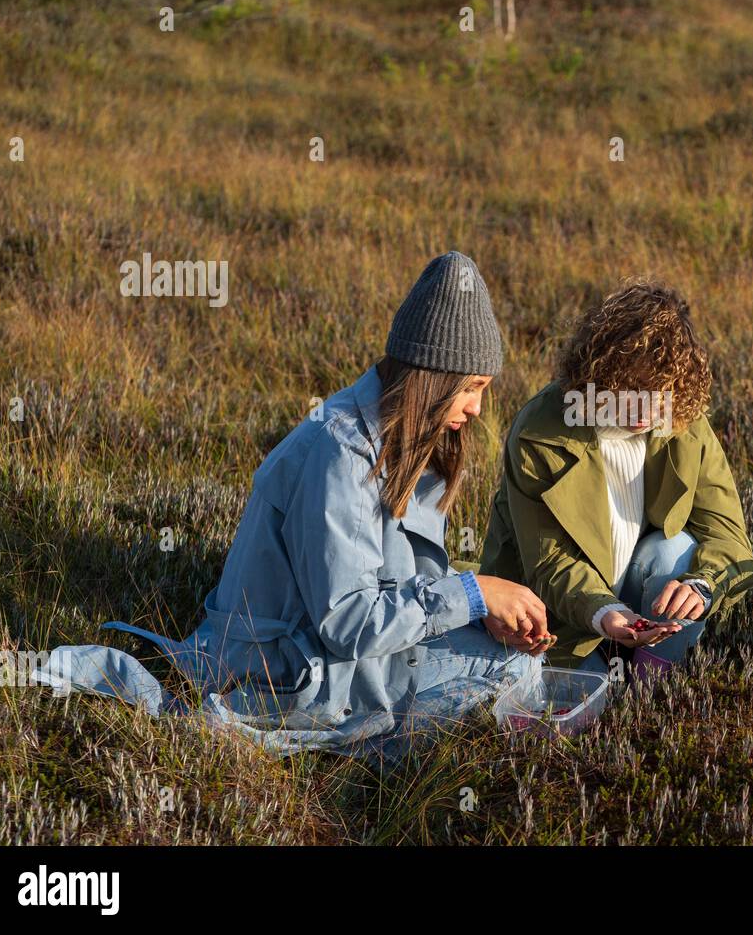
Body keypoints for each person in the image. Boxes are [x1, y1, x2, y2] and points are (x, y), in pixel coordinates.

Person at [37, 251, 549, 759]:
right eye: (472, 388)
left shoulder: (406, 432)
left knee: (511, 658)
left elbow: (395, 578)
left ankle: (394, 742)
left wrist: (475, 610)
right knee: (513, 670)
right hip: (289, 666)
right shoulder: (342, 453)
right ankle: (373, 757)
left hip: (340, 648)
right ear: (433, 377)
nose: (478, 407)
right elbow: (348, 619)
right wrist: (472, 593)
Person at [479, 279, 753, 680]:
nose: (648, 411)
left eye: (662, 393)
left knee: (673, 552)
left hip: (637, 592)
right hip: (560, 615)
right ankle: (608, 666)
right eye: (633, 390)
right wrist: (604, 612)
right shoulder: (541, 432)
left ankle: (652, 681)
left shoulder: (682, 418)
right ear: (600, 371)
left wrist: (701, 584)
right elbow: (549, 565)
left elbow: (729, 538)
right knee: (584, 699)